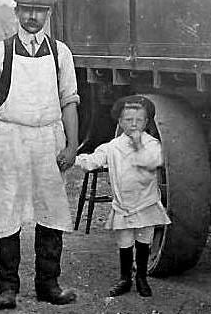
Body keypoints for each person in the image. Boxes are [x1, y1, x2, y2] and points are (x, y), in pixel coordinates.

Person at [0, 0, 79, 309]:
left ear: (48, 15)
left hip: (48, 138)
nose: (33, 17)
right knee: (7, 212)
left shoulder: (61, 53)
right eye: (27, 10)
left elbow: (69, 100)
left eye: (39, 11)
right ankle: (7, 289)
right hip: (10, 140)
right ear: (17, 12)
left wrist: (71, 145)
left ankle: (49, 285)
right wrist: (7, 121)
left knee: (50, 212)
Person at [74, 95, 170, 299]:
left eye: (139, 120)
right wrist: (74, 159)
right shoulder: (112, 147)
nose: (134, 124)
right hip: (123, 206)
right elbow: (93, 161)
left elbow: (154, 161)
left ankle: (142, 277)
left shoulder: (152, 144)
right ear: (119, 122)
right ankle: (125, 278)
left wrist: (137, 145)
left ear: (146, 122)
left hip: (147, 203)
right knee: (125, 243)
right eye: (128, 120)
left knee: (144, 242)